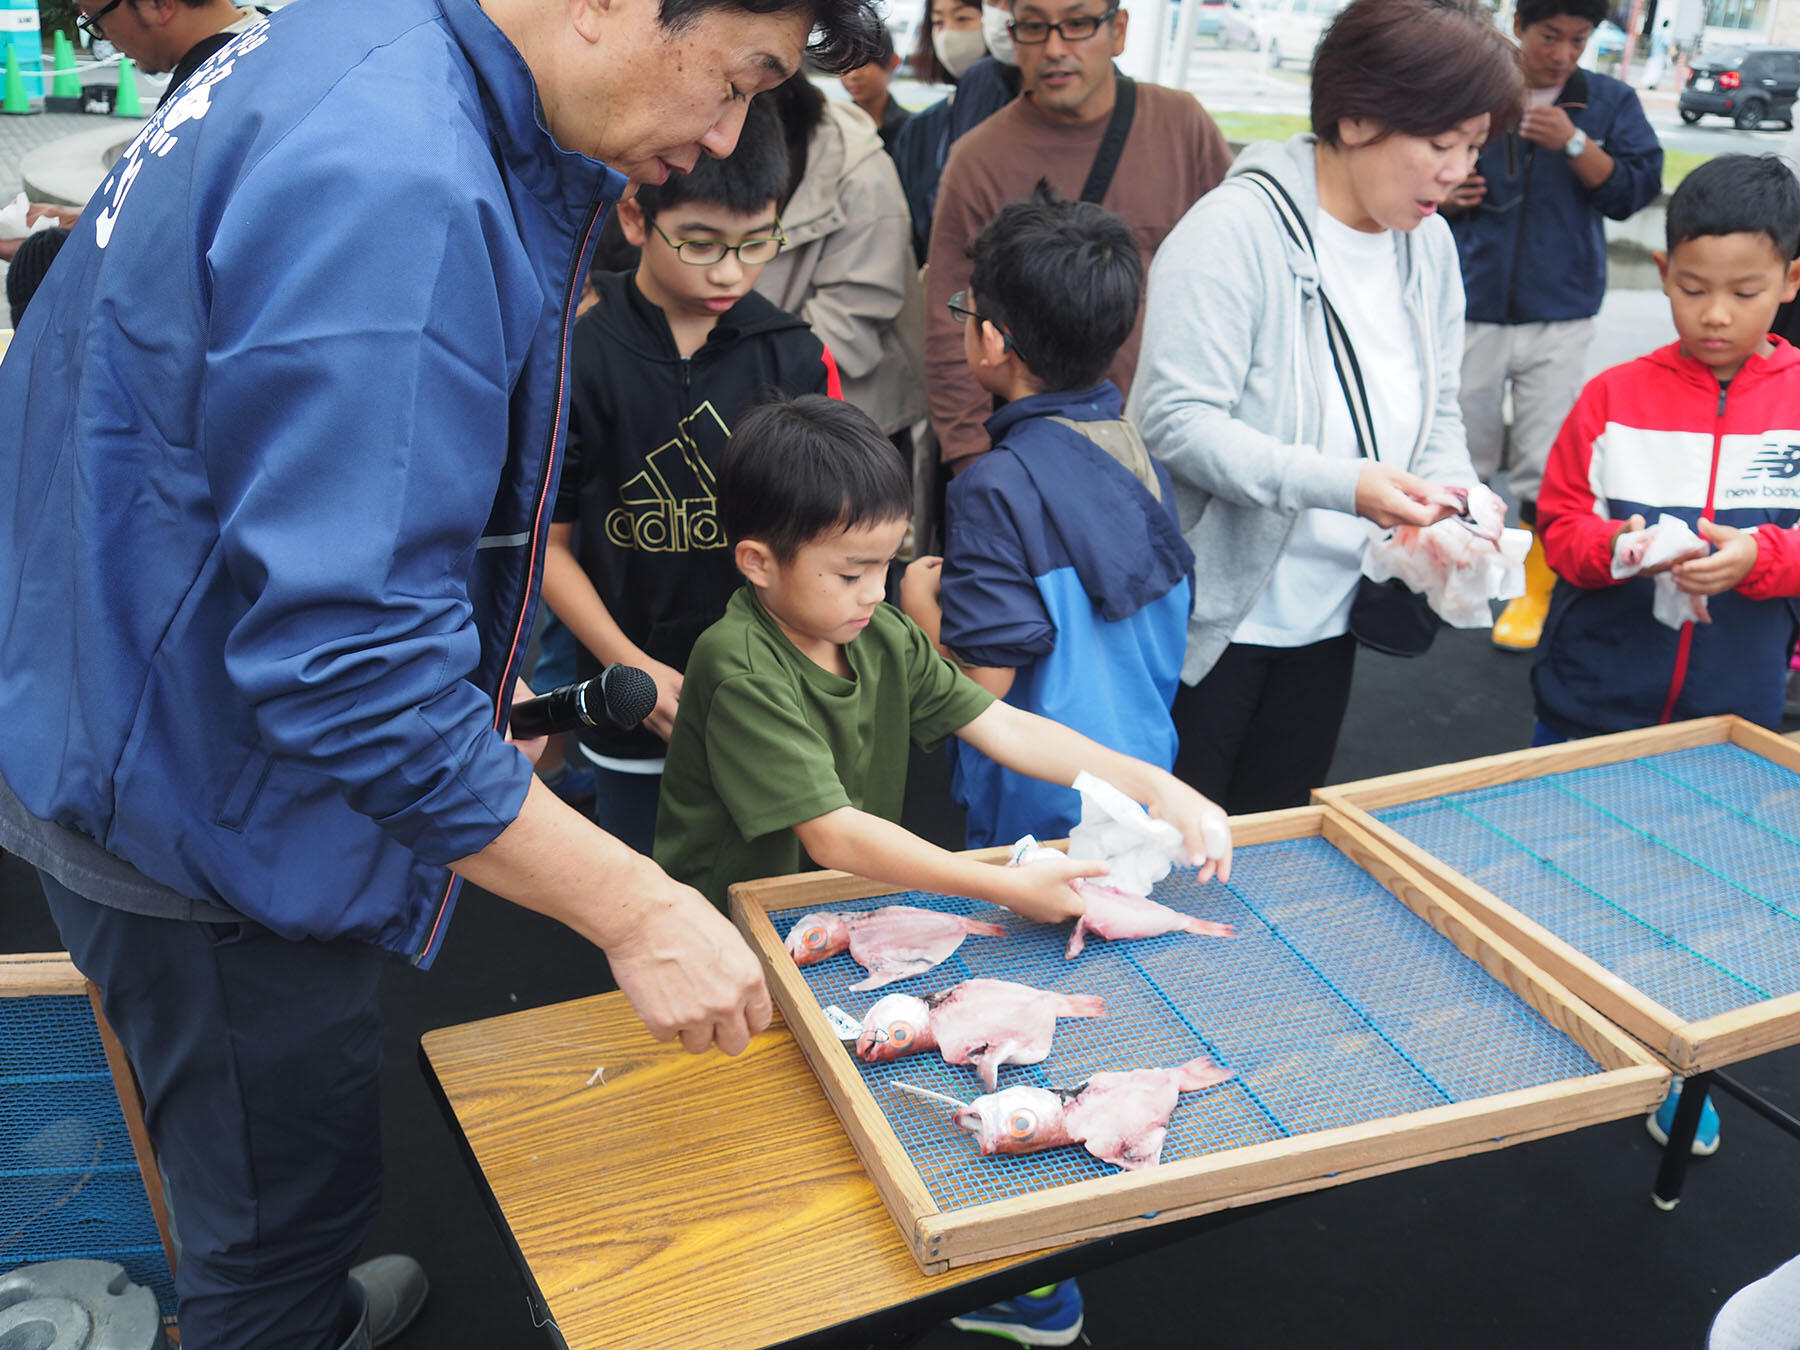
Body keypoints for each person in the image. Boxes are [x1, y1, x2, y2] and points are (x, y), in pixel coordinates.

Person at [0, 0, 881, 1346]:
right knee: (267, 1212)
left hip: (120, 700)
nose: (724, 133)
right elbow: (348, 667)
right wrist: (639, 910)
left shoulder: (339, 41)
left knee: (268, 1161)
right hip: (199, 806)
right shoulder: (400, 175)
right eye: (736, 77)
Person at [1128, 0, 1522, 815]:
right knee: (1173, 843)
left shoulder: (1428, 244)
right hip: (1211, 626)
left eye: (1475, 146)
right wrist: (1347, 485)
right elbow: (1175, 420)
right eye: (1440, 143)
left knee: (1282, 834)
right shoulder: (1232, 232)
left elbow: (1438, 409)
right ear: (1355, 117)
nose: (1456, 171)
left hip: (1334, 612)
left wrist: (1455, 498)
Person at [652, 394, 1229, 915]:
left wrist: (1154, 786)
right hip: (731, 925)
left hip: (838, 903)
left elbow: (1004, 725)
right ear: (757, 562)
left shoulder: (881, 633)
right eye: (852, 573)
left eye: (886, 564)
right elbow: (833, 835)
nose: (876, 591)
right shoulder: (741, 668)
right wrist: (1003, 886)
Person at [1532, 155, 1800, 1157]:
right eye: (1692, 288)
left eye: (1745, 290)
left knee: (1695, 901)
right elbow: (1558, 524)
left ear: (1792, 280)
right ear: (1662, 271)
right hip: (1591, 699)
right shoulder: (1613, 395)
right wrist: (1620, 547)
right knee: (1555, 874)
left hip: (1730, 716)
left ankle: (1681, 1072)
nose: (1715, 314)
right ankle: (1555, 1044)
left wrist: (1763, 560)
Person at [542, 98, 837, 854]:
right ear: (636, 218)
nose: (731, 270)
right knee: (638, 881)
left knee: (770, 890)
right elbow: (547, 545)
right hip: (630, 696)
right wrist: (629, 666)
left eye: (757, 242)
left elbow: (821, 541)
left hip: (768, 700)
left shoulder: (793, 355)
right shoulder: (579, 352)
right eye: (701, 243)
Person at [900, 185, 1192, 849]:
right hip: (1142, 783)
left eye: (966, 311)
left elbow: (985, 682)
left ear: (993, 341)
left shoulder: (994, 488)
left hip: (1033, 806)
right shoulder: (1139, 457)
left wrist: (919, 607)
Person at [923, 0, 1232, 468]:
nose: (1054, 48)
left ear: (1118, 30)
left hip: (1173, 447)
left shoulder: (1181, 126)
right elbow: (950, 324)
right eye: (1034, 27)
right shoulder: (977, 160)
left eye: (1077, 23)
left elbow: (1235, 282)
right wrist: (972, 460)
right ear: (1013, 37)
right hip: (1038, 463)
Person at [1445, 0, 1663, 653]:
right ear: (1518, 25)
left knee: (1546, 463)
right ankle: (1458, 571)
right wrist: (1447, 196)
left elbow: (1633, 191)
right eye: (1550, 36)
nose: (1564, 53)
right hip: (1473, 302)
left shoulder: (1609, 102)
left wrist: (1575, 143)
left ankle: (1533, 590)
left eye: (1579, 38)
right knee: (1462, 452)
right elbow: (1418, 166)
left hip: (1561, 310)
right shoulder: (1474, 86)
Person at [754, 74, 926, 451]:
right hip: (760, 408)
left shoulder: (862, 174)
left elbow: (849, 322)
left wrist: (725, 366)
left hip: (851, 417)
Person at [72, 0, 270, 107]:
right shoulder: (278, 31)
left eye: (94, 19)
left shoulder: (194, 106)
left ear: (158, 4)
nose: (103, 37)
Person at [839, 23, 911, 154]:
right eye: (844, 63)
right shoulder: (836, 127)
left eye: (864, 63)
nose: (853, 75)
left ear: (893, 62)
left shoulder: (913, 127)